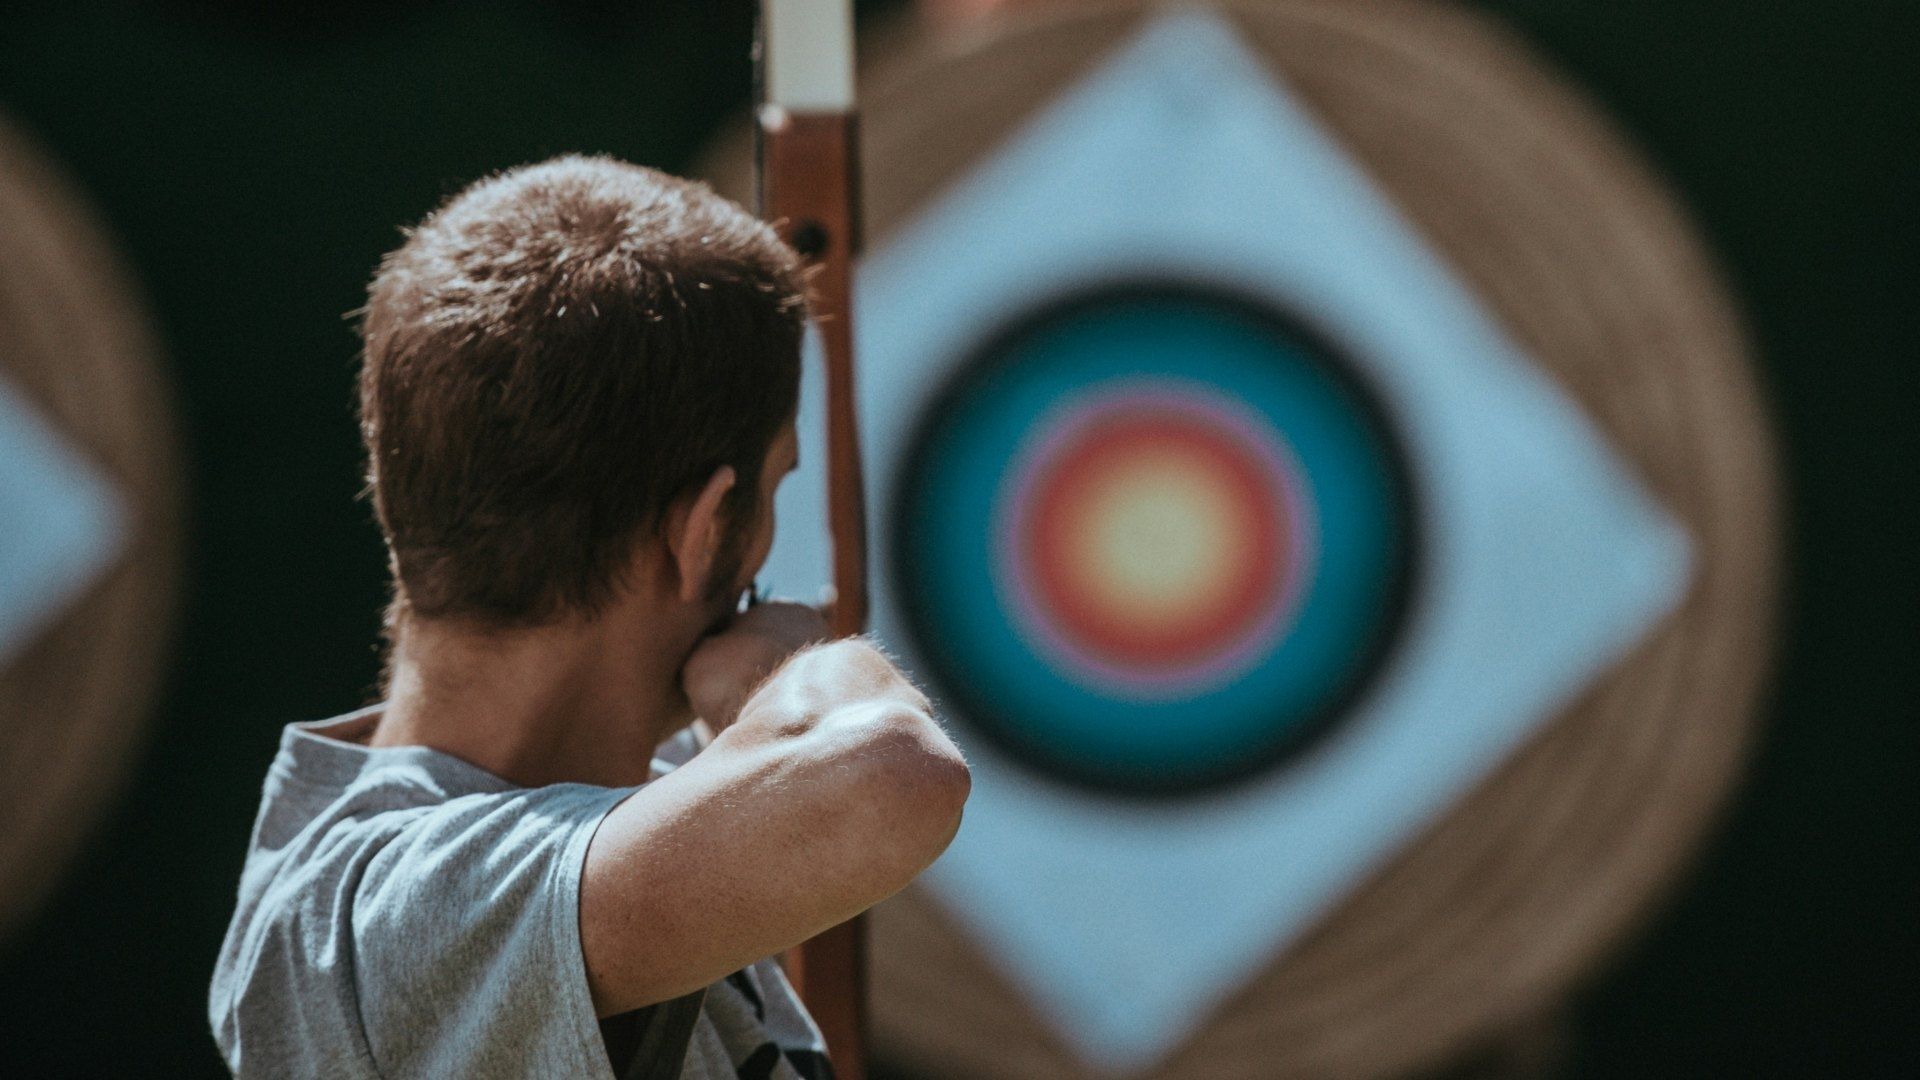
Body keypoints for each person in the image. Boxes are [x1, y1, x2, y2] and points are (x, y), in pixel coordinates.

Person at [208, 155, 971, 1080]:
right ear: (698, 533)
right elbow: (889, 776)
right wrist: (799, 669)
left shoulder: (628, 799)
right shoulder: (388, 914)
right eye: (773, 492)